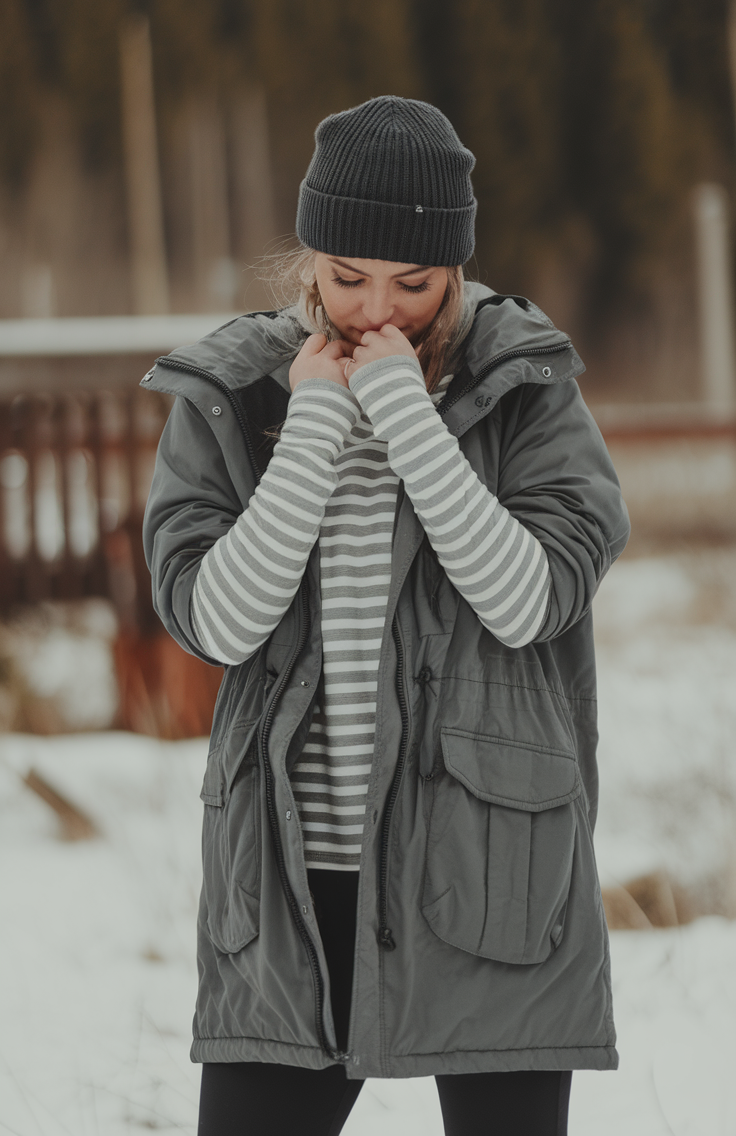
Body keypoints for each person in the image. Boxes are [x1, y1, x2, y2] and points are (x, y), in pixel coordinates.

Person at [141, 95, 630, 1136]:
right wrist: (314, 421)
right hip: (287, 877)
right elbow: (214, 623)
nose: (376, 311)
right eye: (346, 277)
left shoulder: (526, 387)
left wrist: (408, 415)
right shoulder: (238, 393)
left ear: (454, 268)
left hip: (486, 870)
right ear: (310, 257)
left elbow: (528, 597)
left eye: (412, 284)